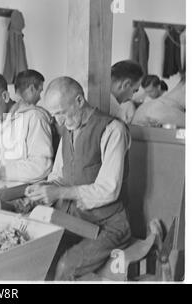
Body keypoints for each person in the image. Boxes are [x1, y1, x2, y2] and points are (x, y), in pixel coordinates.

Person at [24, 76, 131, 281]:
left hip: (110, 225)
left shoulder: (113, 130)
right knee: (38, 255)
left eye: (61, 113)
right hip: (77, 219)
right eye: (54, 115)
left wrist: (59, 192)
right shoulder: (69, 130)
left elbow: (109, 189)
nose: (59, 121)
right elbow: (59, 176)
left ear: (80, 101)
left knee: (66, 266)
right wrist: (43, 188)